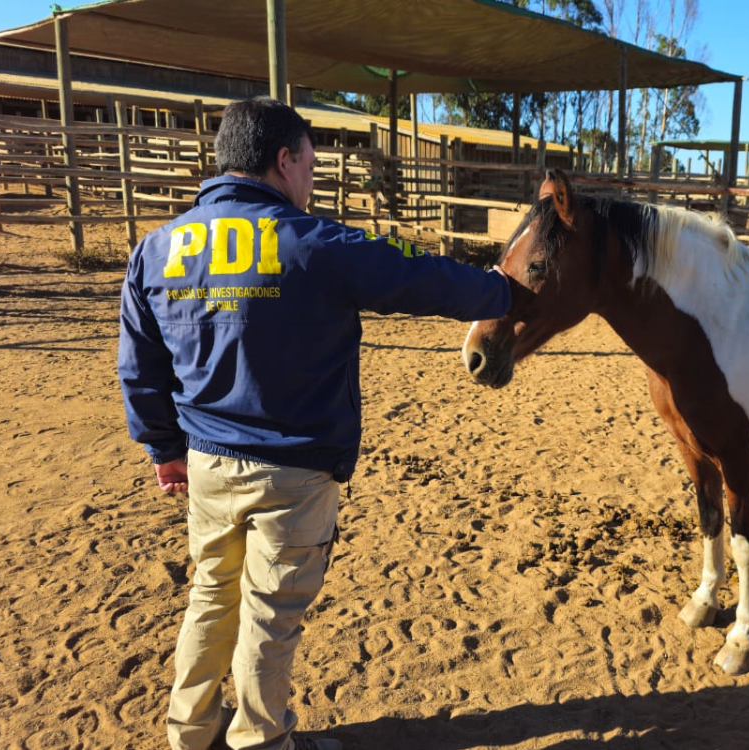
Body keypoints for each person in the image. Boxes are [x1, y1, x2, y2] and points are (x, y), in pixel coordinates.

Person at [118, 96, 511, 750]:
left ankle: (190, 732)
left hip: (207, 462)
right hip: (292, 470)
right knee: (269, 618)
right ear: (283, 160)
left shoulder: (157, 250)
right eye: (309, 163)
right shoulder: (312, 242)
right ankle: (261, 740)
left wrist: (164, 447)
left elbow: (139, 365)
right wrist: (498, 290)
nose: (311, 179)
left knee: (212, 596)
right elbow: (416, 276)